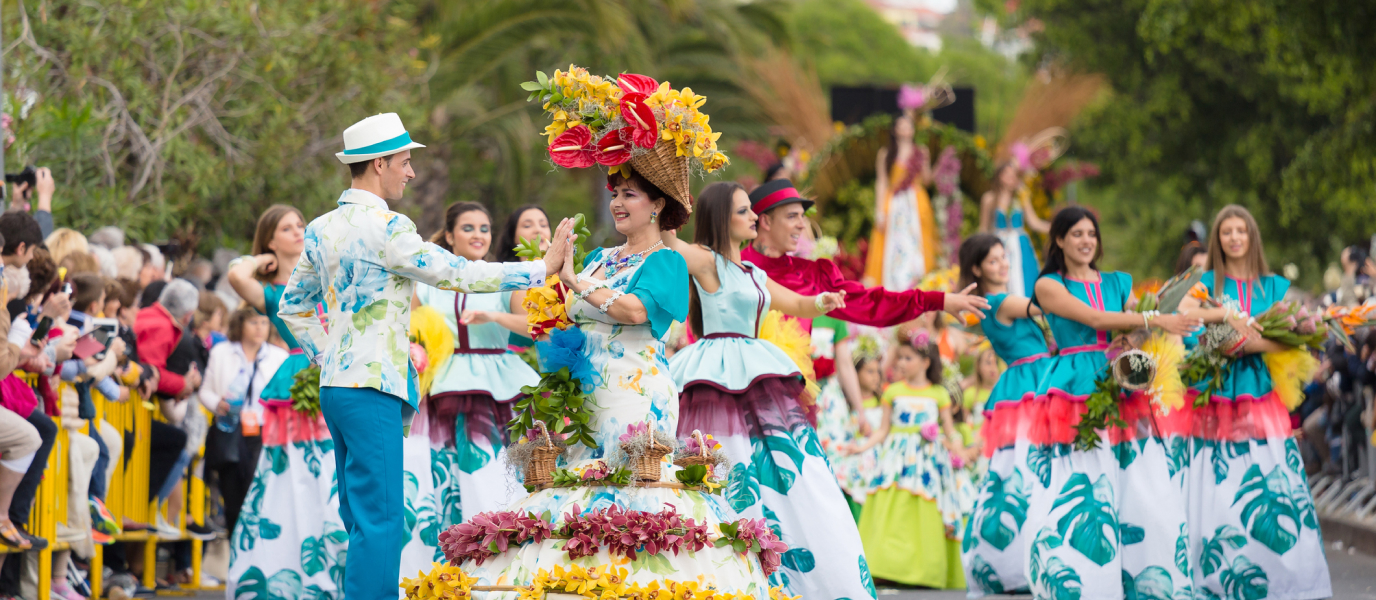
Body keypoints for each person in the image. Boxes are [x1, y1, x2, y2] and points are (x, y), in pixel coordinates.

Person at [278, 113, 573, 600]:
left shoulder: (320, 227)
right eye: (405, 161)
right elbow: (457, 273)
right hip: (373, 387)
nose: (410, 172)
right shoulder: (389, 226)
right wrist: (540, 268)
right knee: (382, 519)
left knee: (361, 515)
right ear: (378, 165)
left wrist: (330, 354)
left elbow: (294, 306)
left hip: (338, 385)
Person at [662, 182, 866, 599]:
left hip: (757, 371)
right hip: (713, 372)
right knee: (722, 462)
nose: (754, 217)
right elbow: (668, 239)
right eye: (744, 211)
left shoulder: (755, 274)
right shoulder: (705, 261)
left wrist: (823, 301)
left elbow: (798, 305)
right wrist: (664, 190)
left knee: (802, 474)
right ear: (722, 218)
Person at [1022, 207, 1200, 598]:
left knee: (1140, 484)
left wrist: (1137, 337)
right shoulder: (1048, 285)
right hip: (1074, 387)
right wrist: (1156, 320)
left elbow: (1127, 330)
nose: (1086, 241)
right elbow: (1097, 321)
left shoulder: (1120, 281)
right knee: (1083, 481)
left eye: (1091, 234)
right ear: (1059, 241)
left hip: (1121, 383)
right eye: (1076, 234)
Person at [1175, 205, 1331, 599]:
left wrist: (1239, 342)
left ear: (1251, 236)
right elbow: (1184, 313)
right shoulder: (1206, 282)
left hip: (1260, 393)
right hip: (1215, 393)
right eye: (1226, 232)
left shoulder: (1275, 286)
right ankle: (1216, 579)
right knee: (1217, 480)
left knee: (1270, 474)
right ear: (1217, 239)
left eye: (1240, 230)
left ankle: (1279, 578)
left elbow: (1295, 337)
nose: (1233, 238)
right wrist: (1225, 317)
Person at [225, 203, 352, 593]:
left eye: (301, 225)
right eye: (286, 228)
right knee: (293, 472)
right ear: (270, 239)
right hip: (299, 376)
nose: (298, 232)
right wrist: (264, 258)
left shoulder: (328, 275)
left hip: (340, 370)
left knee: (336, 467)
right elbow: (235, 273)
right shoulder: (270, 292)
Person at [413, 202, 534, 527]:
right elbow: (405, 326)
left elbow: (533, 326)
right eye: (468, 228)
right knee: (443, 472)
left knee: (498, 475)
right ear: (450, 237)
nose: (478, 235)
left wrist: (493, 316)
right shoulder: (426, 284)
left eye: (484, 228)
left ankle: (502, 546)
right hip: (443, 384)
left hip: (498, 382)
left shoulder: (505, 277)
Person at [739, 178, 988, 335]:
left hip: (786, 391)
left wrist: (939, 300)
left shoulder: (812, 275)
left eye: (802, 217)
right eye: (792, 216)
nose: (802, 226)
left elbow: (873, 304)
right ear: (766, 221)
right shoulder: (734, 269)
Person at [955, 234, 1051, 596]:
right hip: (1030, 383)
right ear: (978, 268)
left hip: (1024, 381)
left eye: (1003, 257)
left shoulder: (992, 302)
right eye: (993, 260)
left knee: (1017, 473)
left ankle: (1010, 559)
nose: (1003, 264)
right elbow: (1048, 306)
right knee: (1027, 471)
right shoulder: (1002, 301)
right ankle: (1016, 561)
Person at [858, 331, 964, 589]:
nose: (901, 363)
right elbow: (883, 430)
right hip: (895, 460)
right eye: (900, 358)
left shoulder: (939, 393)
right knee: (892, 508)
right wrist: (861, 446)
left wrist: (958, 446)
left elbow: (949, 430)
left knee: (923, 510)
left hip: (927, 462)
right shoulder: (892, 391)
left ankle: (923, 570)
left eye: (908, 358)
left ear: (926, 362)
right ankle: (883, 566)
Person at [200, 306, 287, 547]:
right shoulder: (222, 352)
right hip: (230, 429)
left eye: (264, 323)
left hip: (263, 432)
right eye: (253, 323)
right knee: (232, 493)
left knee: (257, 489)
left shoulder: (278, 356)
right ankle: (235, 548)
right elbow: (205, 390)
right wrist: (217, 403)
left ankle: (257, 550)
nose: (259, 328)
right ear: (240, 325)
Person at [865, 112, 939, 290]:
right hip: (895, 204)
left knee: (918, 243)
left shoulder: (921, 152)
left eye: (908, 125)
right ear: (895, 130)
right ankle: (894, 286)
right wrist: (879, 211)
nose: (905, 129)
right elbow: (882, 182)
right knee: (893, 244)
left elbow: (927, 180)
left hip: (916, 203)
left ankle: (918, 283)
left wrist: (940, 168)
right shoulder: (886, 154)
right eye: (901, 125)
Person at [979, 161, 1049, 297]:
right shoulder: (989, 199)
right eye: (1007, 174)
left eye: (1014, 175)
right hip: (999, 244)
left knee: (1025, 278)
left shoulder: (1021, 197)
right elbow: (983, 228)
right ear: (999, 176)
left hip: (1020, 245)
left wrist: (1055, 227)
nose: (1011, 178)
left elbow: (1034, 222)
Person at [495, 204, 552, 351]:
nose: (538, 230)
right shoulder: (513, 281)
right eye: (527, 225)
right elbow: (536, 328)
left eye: (543, 225)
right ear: (513, 237)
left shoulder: (566, 276)